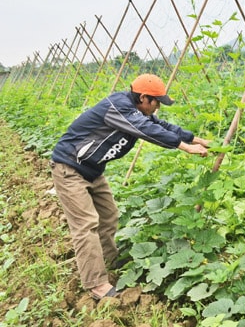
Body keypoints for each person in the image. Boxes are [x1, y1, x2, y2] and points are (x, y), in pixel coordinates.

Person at [50, 73, 210, 300]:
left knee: (109, 215)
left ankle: (110, 260)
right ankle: (96, 284)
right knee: (86, 225)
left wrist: (195, 139)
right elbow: (147, 130)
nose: (157, 108)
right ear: (144, 98)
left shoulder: (137, 110)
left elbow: (160, 125)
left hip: (93, 170)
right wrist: (184, 147)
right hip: (70, 168)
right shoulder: (119, 108)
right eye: (157, 102)